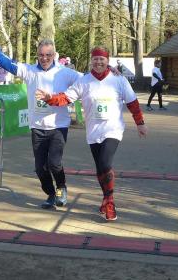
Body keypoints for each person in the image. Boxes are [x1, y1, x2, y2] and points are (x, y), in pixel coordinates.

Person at [35, 46, 147, 221]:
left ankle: (110, 202)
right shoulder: (84, 81)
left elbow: (132, 102)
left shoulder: (119, 80)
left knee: (105, 163)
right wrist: (50, 98)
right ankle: (105, 198)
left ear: (107, 61)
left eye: (102, 59)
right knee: (100, 168)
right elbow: (66, 98)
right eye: (95, 59)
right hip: (94, 132)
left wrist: (140, 123)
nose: (98, 62)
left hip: (113, 129)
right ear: (91, 61)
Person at [0, 31, 81, 209]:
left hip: (58, 126)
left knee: (54, 163)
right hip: (37, 127)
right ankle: (51, 194)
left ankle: (61, 187)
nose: (44, 58)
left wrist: (109, 71)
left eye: (48, 55)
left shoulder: (65, 73)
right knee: (40, 167)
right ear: (37, 55)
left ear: (54, 55)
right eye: (41, 55)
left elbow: (89, 79)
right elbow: (6, 63)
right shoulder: (29, 71)